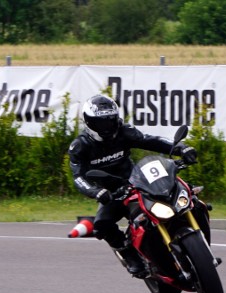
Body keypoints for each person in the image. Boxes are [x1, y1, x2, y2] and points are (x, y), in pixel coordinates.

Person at [68, 94, 198, 277]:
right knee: (101, 225)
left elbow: (151, 140)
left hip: (137, 181)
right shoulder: (80, 146)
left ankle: (193, 227)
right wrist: (96, 192)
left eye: (110, 121)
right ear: (89, 123)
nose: (107, 127)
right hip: (112, 193)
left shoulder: (124, 132)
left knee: (182, 192)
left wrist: (181, 148)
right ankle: (130, 256)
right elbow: (78, 177)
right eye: (101, 123)